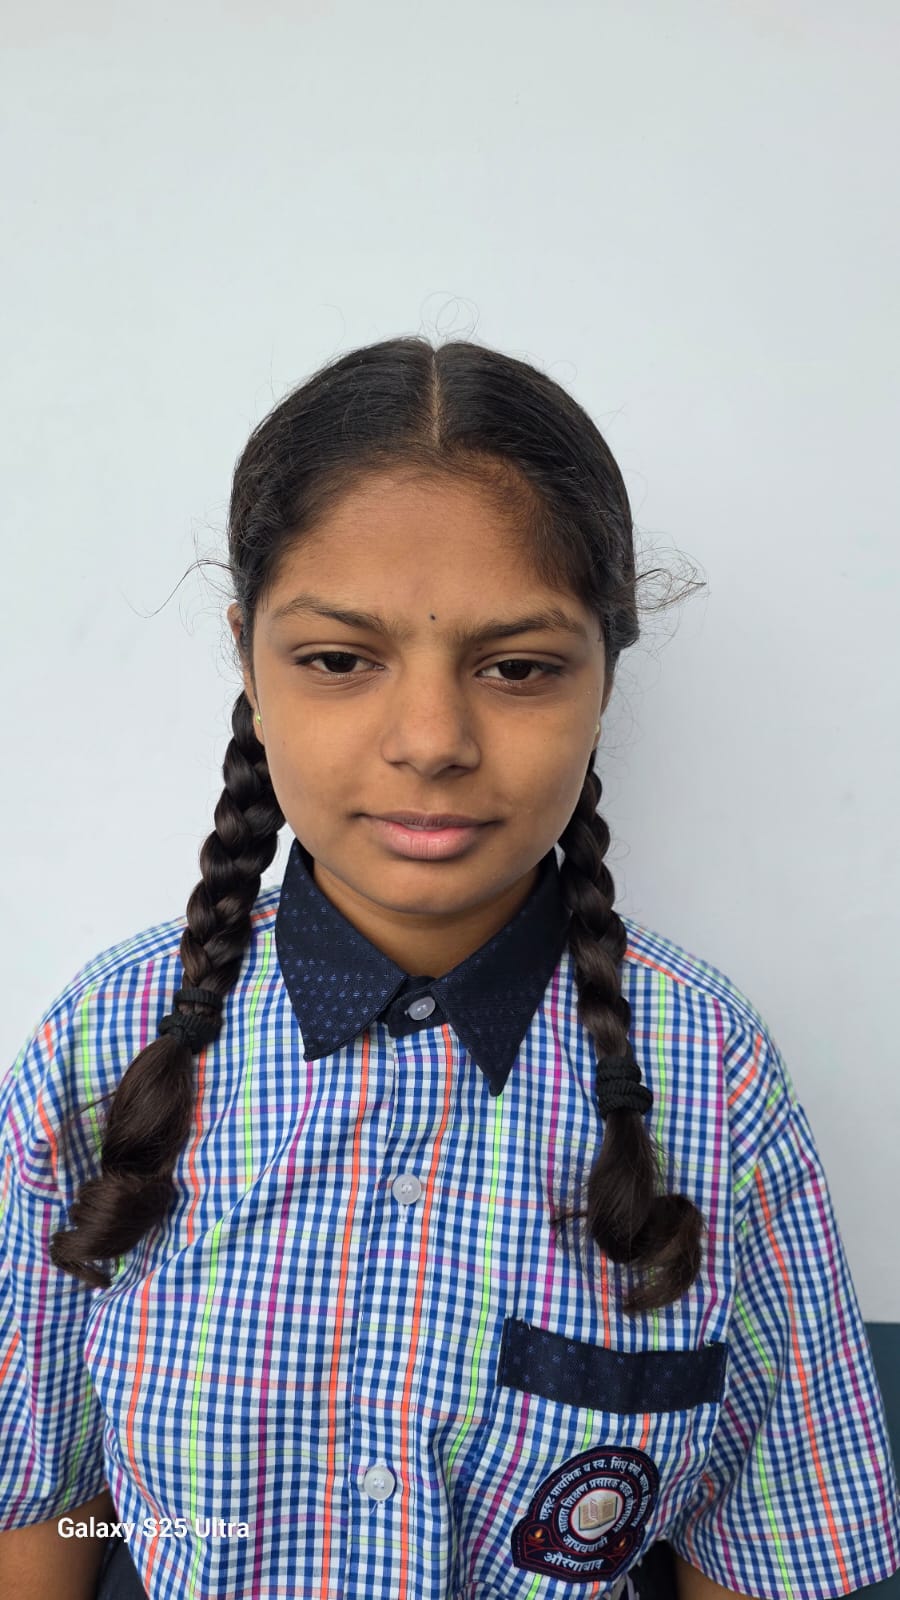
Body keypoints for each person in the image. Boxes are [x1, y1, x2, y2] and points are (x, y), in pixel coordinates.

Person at [1, 337, 898, 1600]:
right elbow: (49, 1509)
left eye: (518, 666)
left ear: (605, 674)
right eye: (339, 659)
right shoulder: (106, 1043)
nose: (430, 740)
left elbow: (767, 1546)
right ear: (248, 661)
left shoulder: (712, 1074)